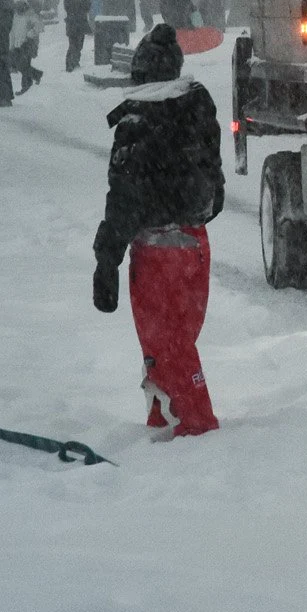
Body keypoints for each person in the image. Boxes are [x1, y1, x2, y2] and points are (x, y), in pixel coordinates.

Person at [91, 24, 224, 439]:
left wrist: (106, 259)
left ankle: (192, 424)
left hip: (154, 253)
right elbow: (213, 185)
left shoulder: (138, 120)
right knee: (179, 340)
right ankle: (164, 419)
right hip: (195, 246)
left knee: (163, 344)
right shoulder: (197, 108)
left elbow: (124, 197)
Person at [10, 0, 43, 94]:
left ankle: (26, 85)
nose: (18, 6)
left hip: (27, 43)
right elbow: (13, 31)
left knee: (23, 63)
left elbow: (39, 26)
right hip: (17, 44)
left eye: (20, 3)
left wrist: (31, 34)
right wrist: (11, 44)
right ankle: (36, 75)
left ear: (24, 3)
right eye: (17, 4)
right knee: (19, 64)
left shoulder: (30, 14)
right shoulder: (14, 15)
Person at [63, 0, 92, 72]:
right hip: (73, 25)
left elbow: (86, 7)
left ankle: (75, 61)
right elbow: (78, 6)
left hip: (79, 25)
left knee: (79, 45)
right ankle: (70, 64)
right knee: (73, 45)